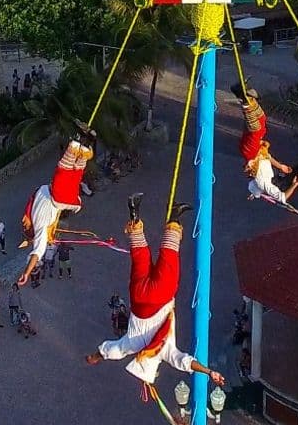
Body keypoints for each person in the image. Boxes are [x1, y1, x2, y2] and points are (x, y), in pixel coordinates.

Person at [86, 195, 226, 386]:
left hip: (160, 297)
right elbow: (111, 351)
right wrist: (94, 357)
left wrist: (209, 372)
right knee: (140, 257)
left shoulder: (164, 351)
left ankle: (174, 216)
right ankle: (134, 213)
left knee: (169, 259)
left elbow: (185, 362)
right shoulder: (131, 345)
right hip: (137, 297)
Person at [17, 122, 96, 286]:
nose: (24, 225)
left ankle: (86, 141)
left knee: (74, 171)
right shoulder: (37, 221)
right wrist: (27, 271)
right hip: (58, 196)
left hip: (59, 196)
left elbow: (36, 251)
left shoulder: (35, 217)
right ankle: (79, 139)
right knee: (66, 168)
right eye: (25, 228)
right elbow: (36, 253)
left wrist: (26, 271)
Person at [232, 84, 298, 206]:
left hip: (251, 152)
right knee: (262, 122)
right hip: (254, 151)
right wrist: (281, 166)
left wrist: (294, 185)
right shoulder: (261, 181)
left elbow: (282, 198)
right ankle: (248, 98)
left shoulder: (264, 184)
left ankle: (244, 99)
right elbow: (267, 158)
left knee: (256, 129)